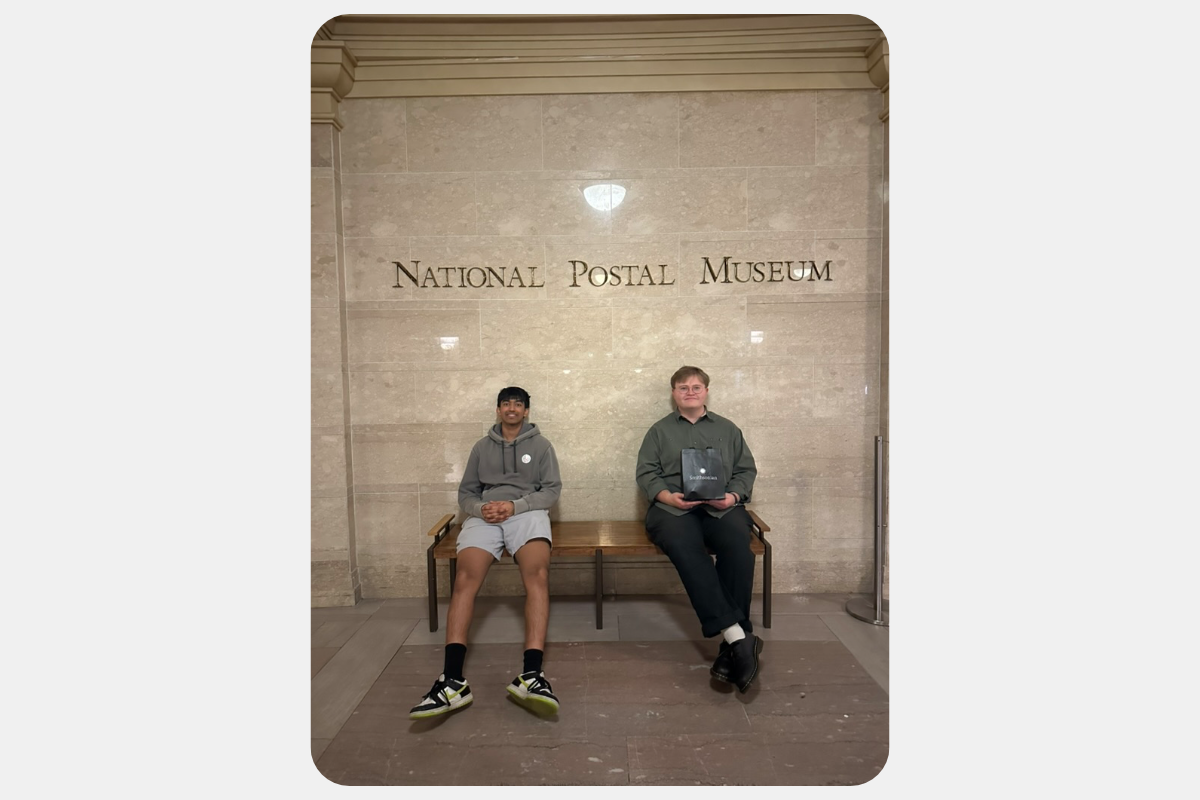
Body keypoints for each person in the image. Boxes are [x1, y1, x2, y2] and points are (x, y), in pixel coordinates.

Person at [410, 386, 563, 719]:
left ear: (526, 412)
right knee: (465, 578)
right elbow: (466, 494)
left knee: (537, 575)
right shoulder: (481, 447)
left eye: (518, 404)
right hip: (487, 515)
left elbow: (551, 491)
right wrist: (481, 509)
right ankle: (452, 681)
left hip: (527, 513)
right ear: (498, 410)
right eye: (506, 404)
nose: (511, 409)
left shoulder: (541, 446)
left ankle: (532, 675)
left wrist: (515, 505)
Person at [635, 366, 763, 692]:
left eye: (696, 387)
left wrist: (732, 496)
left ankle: (730, 647)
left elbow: (746, 471)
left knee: (739, 549)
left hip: (721, 509)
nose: (690, 392)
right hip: (672, 510)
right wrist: (668, 497)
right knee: (688, 551)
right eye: (682, 388)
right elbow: (646, 473)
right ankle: (740, 637)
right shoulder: (659, 431)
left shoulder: (728, 429)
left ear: (706, 391)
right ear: (674, 393)